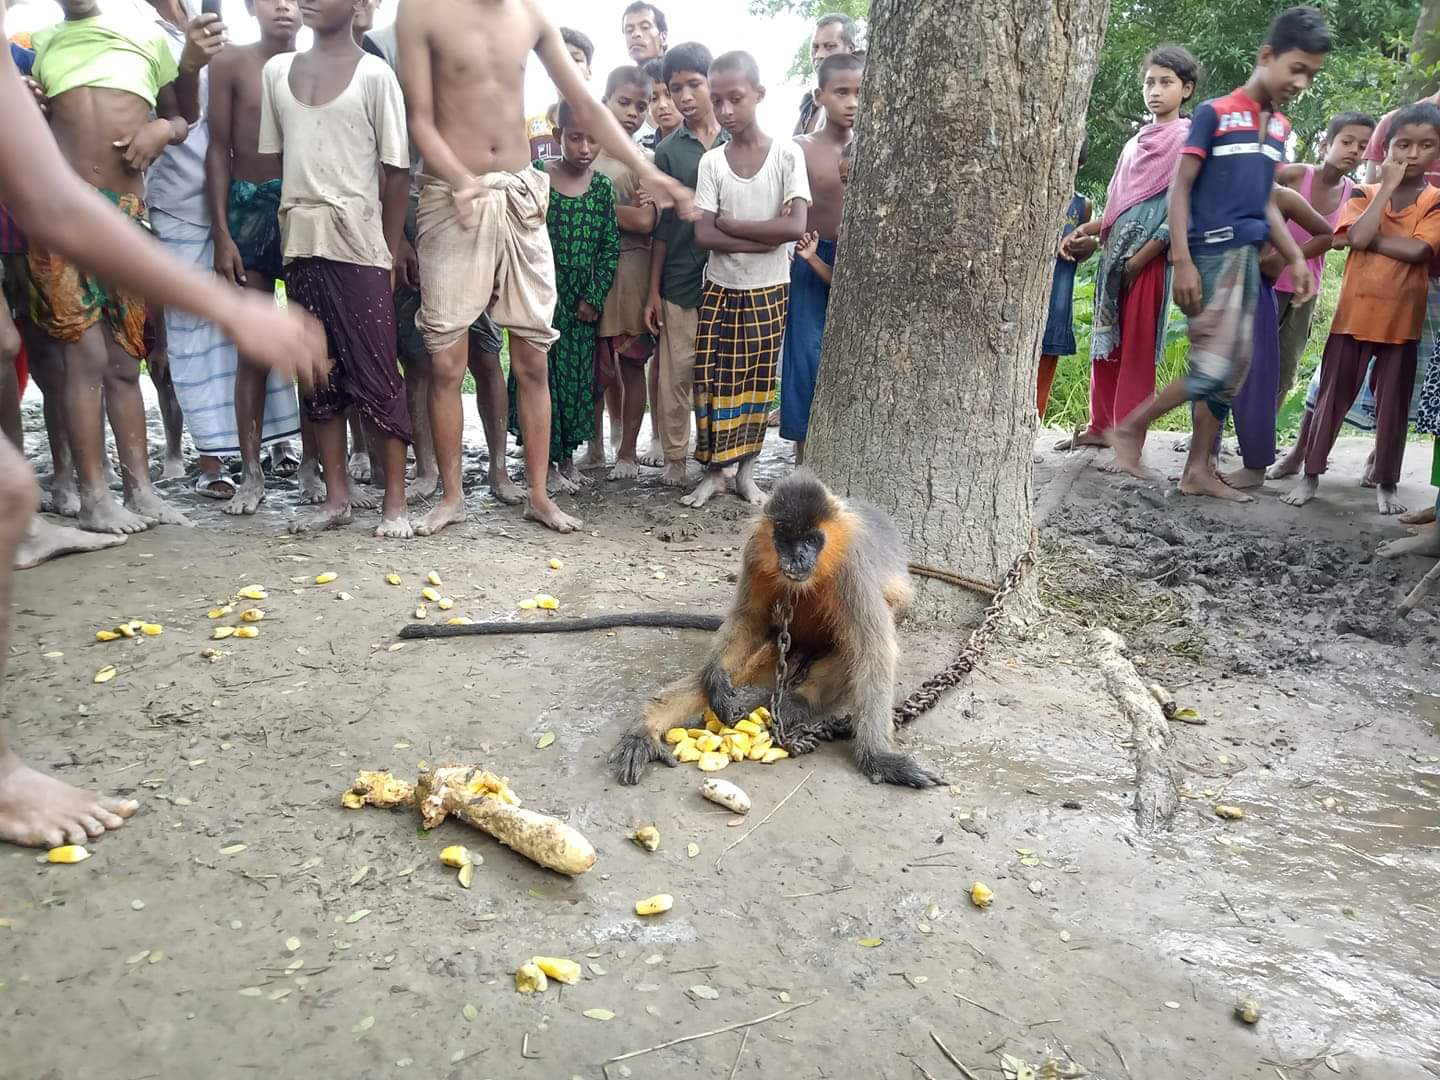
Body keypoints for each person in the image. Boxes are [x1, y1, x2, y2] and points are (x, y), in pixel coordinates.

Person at [0, 0, 326, 847]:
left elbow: (68, 190)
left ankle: (131, 487)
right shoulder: (42, 51)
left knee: (16, 478)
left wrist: (168, 119)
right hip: (77, 218)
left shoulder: (130, 42)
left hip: (117, 206)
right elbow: (49, 201)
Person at [394, 0, 693, 536]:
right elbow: (418, 119)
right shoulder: (420, 10)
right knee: (446, 360)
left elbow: (587, 103)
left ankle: (537, 493)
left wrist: (648, 168)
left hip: (521, 197)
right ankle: (453, 496)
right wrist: (462, 180)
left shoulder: (529, 15)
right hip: (450, 196)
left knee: (534, 355)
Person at [1106, 7, 1326, 500]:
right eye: (1296, 68)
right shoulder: (1216, 114)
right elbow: (1179, 191)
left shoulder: (1277, 127)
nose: (1302, 81)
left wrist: (1293, 255)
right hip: (1209, 253)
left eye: (1311, 74)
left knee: (1235, 370)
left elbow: (1266, 201)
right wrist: (1181, 259)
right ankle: (1130, 428)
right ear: (1266, 56)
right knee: (1214, 367)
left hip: (1247, 256)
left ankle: (1198, 469)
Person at [27, 0, 203, 534]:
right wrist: (33, 104)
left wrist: (163, 131)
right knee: (82, 358)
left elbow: (183, 116)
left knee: (126, 364)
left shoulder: (144, 35)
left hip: (128, 221)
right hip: (64, 218)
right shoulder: (43, 45)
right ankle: (95, 497)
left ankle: (141, 490)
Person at [259, 0, 413, 537]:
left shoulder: (375, 75)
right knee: (316, 371)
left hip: (361, 247)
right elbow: (283, 163)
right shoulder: (277, 73)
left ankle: (395, 503)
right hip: (302, 243)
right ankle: (336, 497)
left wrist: (388, 249)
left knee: (376, 370)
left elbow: (396, 175)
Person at [1282, 103, 1440, 515]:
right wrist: (1384, 190)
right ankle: (1311, 475)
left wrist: (1366, 240)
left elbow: (1420, 249)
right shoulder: (1363, 192)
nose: (1411, 155)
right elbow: (1356, 235)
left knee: (1392, 409)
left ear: (1437, 153)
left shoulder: (1436, 201)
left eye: (1425, 146)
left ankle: (1386, 484)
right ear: (1386, 149)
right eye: (1402, 145)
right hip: (1352, 317)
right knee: (1331, 400)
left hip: (1402, 322)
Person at [205, 0, 316, 516]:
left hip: (305, 208)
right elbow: (218, 150)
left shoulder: (317, 65)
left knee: (312, 339)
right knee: (251, 348)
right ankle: (251, 473)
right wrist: (222, 233)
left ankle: (316, 464)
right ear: (251, 6)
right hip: (248, 207)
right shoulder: (230, 63)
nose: (283, 8)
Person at [685, 50, 810, 509]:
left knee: (757, 381)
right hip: (720, 288)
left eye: (735, 99)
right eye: (717, 101)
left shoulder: (786, 154)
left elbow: (795, 228)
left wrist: (734, 228)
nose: (725, 111)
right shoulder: (712, 163)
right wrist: (765, 237)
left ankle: (746, 474)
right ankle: (713, 472)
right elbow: (703, 233)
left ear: (759, 94)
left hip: (769, 290)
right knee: (711, 379)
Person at [1060, 45, 1197, 455]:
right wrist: (1087, 228)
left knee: (1136, 348)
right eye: (1149, 82)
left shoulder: (1186, 140)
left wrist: (1140, 258)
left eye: (1166, 82)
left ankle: (1128, 439)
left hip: (1149, 261)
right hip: (1114, 260)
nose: (1155, 90)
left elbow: (1178, 208)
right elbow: (1121, 207)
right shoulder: (1136, 143)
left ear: (1186, 89)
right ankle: (1101, 424)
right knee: (1107, 343)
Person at [508, 101, 620, 492]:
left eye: (593, 139)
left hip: (579, 303)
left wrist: (595, 294)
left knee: (575, 382)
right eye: (575, 138)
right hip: (540, 293)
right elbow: (520, 231)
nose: (585, 147)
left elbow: (609, 246)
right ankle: (544, 466)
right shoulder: (539, 176)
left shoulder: (603, 187)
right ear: (558, 137)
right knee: (541, 375)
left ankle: (567, 456)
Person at [1265, 112, 1375, 481]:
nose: (1355, 151)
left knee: (1285, 365)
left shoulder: (1352, 194)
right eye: (1347, 142)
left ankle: (1261, 438)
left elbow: (1340, 238)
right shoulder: (1296, 175)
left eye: (1363, 146)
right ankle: (1217, 435)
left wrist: (1298, 256)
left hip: (1302, 289)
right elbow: (1260, 201)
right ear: (1326, 144)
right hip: (1264, 281)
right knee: (1243, 359)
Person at [646, 41, 726, 488]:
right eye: (677, 88)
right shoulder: (670, 152)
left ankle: (721, 458)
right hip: (678, 280)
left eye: (694, 84)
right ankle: (675, 457)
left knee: (720, 374)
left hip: (729, 280)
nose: (685, 96)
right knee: (676, 374)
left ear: (711, 81)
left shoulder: (738, 140)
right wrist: (653, 290)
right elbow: (661, 228)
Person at [782, 51, 860, 463]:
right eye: (841, 92)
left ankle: (846, 450)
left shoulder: (876, 147)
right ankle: (803, 454)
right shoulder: (799, 149)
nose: (852, 103)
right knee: (806, 354)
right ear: (820, 95)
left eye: (860, 93)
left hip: (860, 261)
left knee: (855, 355)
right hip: (809, 257)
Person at [590, 65, 658, 479]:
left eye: (641, 106)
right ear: (605, 102)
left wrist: (592, 208)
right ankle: (595, 446)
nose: (632, 112)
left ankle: (628, 451)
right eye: (624, 103)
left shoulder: (644, 161)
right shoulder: (585, 155)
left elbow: (646, 222)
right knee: (595, 367)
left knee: (632, 363)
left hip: (632, 269)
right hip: (591, 271)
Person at [638, 52, 681, 467]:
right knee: (658, 360)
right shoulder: (649, 153)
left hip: (693, 267)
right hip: (654, 265)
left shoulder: (710, 146)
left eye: (669, 94)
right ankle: (658, 437)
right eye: (656, 98)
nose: (663, 104)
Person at [1037, 138, 1095, 419]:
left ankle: (1033, 428)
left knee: (1044, 369)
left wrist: (1087, 246)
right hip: (1027, 303)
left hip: (1056, 305)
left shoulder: (1082, 206)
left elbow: (1082, 249)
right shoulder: (1033, 197)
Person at [526, 27, 593, 163]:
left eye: (576, 59)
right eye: (561, 60)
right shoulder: (533, 127)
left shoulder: (605, 127)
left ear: (589, 71)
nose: (567, 66)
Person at [793, 12, 857, 136]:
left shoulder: (863, 101)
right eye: (815, 47)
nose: (819, 55)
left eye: (830, 46)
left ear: (850, 50)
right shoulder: (809, 104)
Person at [622, 3, 667, 147]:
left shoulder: (685, 84)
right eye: (629, 30)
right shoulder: (619, 93)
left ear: (663, 36)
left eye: (645, 27)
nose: (636, 34)